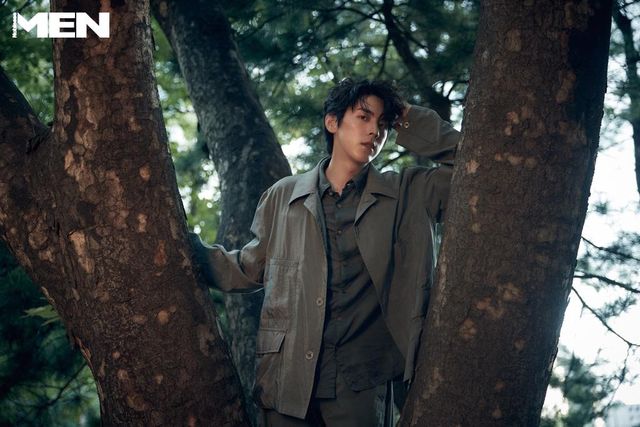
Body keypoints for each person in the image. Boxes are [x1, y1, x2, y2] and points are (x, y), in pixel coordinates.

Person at [190, 78, 460, 426]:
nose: (374, 131)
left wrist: (407, 118)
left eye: (383, 123)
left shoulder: (410, 191)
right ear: (332, 122)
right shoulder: (283, 195)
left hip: (362, 383)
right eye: (364, 117)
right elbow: (249, 268)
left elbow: (476, 168)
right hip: (287, 382)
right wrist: (188, 250)